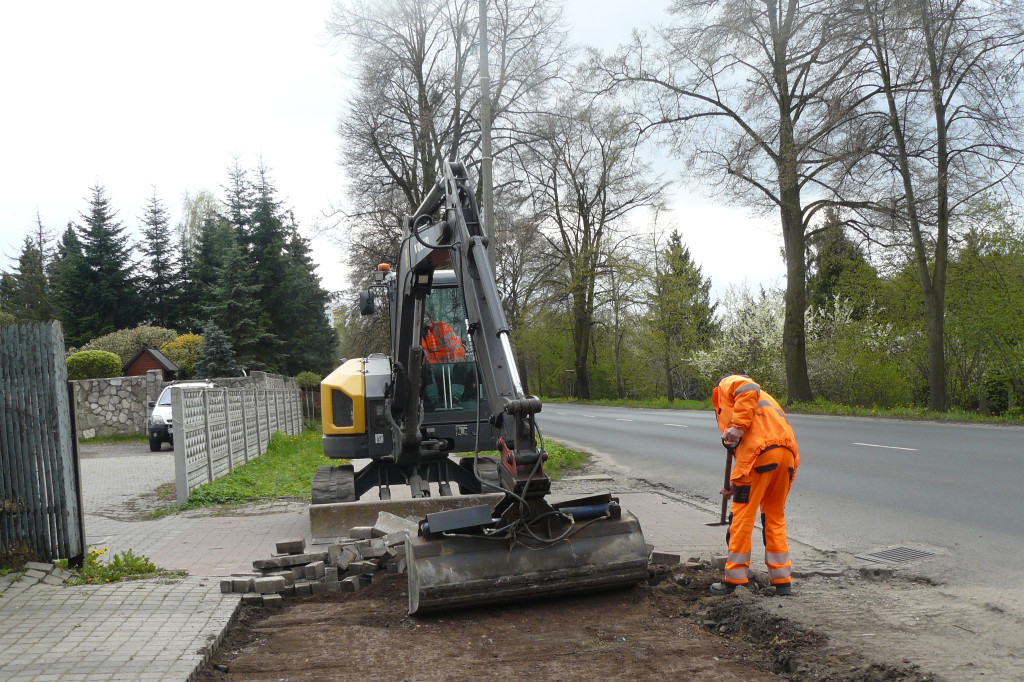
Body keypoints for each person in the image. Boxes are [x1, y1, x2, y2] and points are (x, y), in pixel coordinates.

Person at [709, 374, 800, 596]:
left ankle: (735, 580)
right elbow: (752, 440)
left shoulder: (729, 384)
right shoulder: (764, 401)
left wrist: (737, 426)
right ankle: (782, 582)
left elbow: (747, 386)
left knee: (742, 517)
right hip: (785, 456)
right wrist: (736, 482)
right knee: (774, 516)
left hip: (760, 455)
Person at [421, 312, 466, 406]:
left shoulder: (441, 327)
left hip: (448, 364)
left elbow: (455, 343)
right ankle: (434, 401)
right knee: (425, 371)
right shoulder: (416, 335)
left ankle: (455, 398)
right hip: (430, 368)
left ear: (429, 317)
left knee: (460, 366)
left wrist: (459, 356)